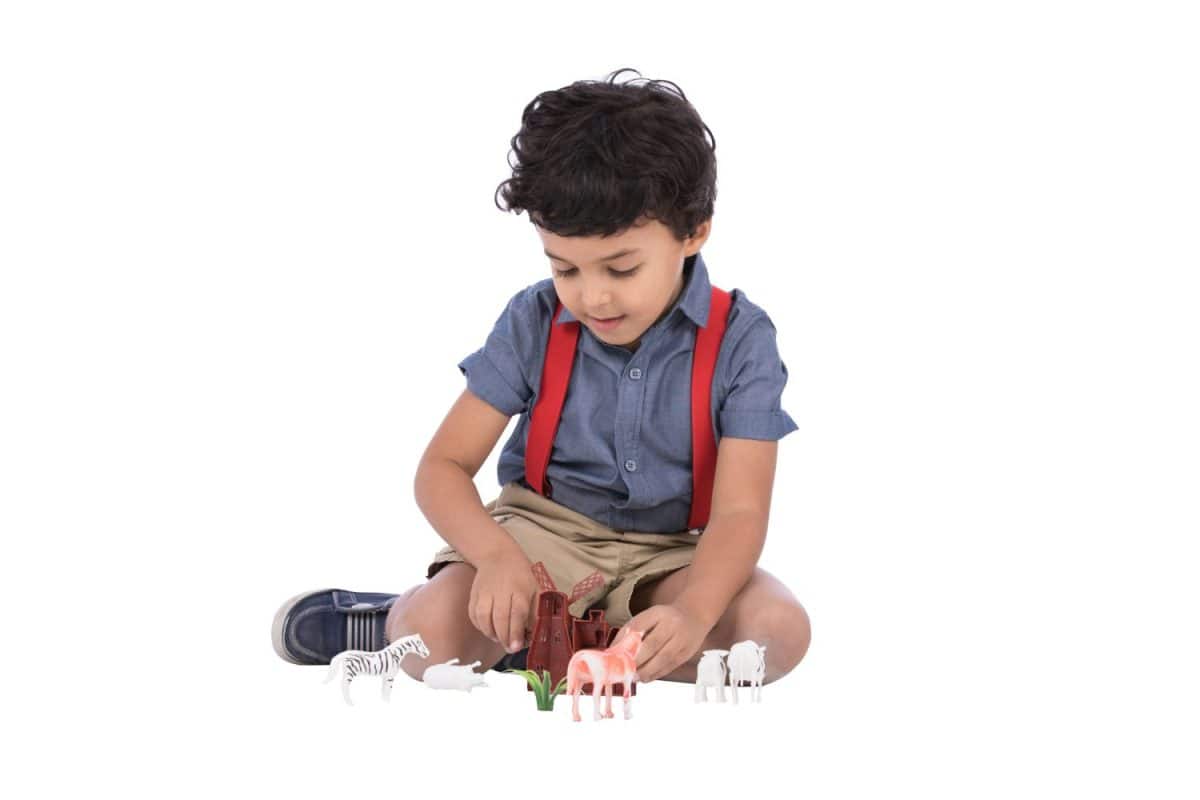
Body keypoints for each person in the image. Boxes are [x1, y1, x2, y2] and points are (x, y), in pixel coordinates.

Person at [272, 68, 812, 687]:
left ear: (693, 232)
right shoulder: (534, 320)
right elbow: (441, 468)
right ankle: (400, 621)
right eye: (567, 269)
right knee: (434, 636)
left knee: (779, 631)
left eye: (621, 267)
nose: (594, 297)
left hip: (674, 558)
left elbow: (741, 511)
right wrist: (498, 560)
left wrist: (692, 611)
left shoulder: (743, 338)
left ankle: (564, 643)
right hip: (540, 542)